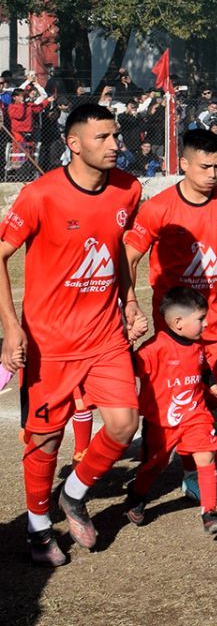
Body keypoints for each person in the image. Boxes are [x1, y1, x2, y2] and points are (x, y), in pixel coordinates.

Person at [0, 103, 146, 565]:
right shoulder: (40, 195)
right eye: (102, 137)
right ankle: (38, 528)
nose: (115, 145)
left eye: (116, 136)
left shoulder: (129, 190)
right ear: (73, 143)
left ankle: (75, 492)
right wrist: (10, 329)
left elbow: (118, 253)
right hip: (49, 343)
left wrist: (130, 300)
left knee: (124, 423)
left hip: (105, 338)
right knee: (44, 441)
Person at [123, 128, 217, 498]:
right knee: (173, 398)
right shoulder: (159, 208)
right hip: (173, 329)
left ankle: (191, 466)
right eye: (205, 167)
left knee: (209, 399)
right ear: (183, 164)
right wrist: (131, 301)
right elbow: (130, 255)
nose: (213, 174)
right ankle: (166, 459)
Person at [125, 286, 217, 534]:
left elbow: (203, 369)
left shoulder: (197, 346)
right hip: (161, 423)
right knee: (153, 466)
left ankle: (209, 511)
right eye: (200, 319)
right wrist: (129, 338)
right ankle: (137, 494)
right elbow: (128, 367)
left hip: (195, 416)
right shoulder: (155, 348)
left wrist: (214, 386)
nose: (206, 323)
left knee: (205, 455)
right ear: (178, 322)